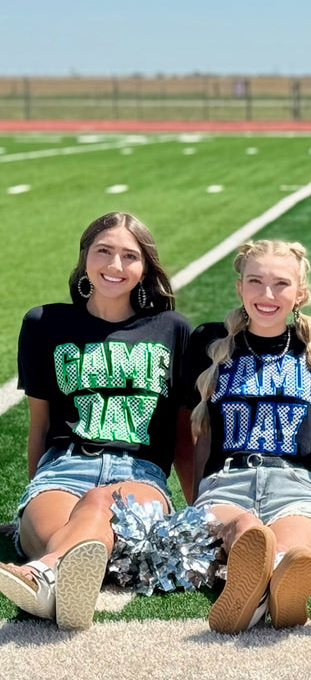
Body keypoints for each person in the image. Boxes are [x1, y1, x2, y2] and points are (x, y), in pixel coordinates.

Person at [0, 211, 192, 630]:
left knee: (97, 506)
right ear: (85, 257)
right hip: (64, 467)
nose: (115, 266)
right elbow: (40, 423)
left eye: (129, 256)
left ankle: (46, 572)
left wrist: (197, 509)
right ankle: (63, 572)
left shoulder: (172, 329)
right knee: (60, 531)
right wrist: (36, 491)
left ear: (145, 269)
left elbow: (181, 434)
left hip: (139, 475)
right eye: (103, 251)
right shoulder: (43, 323)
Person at [186, 240, 311, 634]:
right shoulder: (209, 340)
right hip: (225, 484)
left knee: (296, 554)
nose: (267, 295)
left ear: (300, 293)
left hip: (296, 483)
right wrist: (195, 500)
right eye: (255, 282)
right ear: (239, 288)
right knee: (244, 527)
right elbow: (201, 435)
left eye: (281, 284)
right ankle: (261, 582)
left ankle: (262, 587)